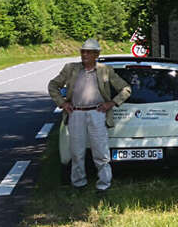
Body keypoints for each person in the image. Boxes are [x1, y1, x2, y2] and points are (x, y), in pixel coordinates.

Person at [47, 38, 131, 192]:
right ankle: (79, 184)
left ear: (96, 54)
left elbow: (125, 89)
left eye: (89, 52)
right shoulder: (70, 68)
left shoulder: (105, 70)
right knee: (76, 152)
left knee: (101, 153)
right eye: (82, 51)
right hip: (76, 113)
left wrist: (111, 103)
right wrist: (63, 103)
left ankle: (104, 185)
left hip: (97, 113)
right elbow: (53, 85)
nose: (84, 54)